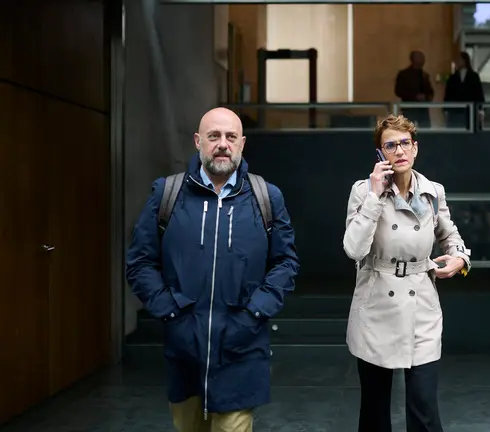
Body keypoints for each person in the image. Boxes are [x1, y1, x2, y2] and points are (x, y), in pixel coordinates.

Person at [126, 107, 300, 432]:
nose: (223, 144)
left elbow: (286, 263)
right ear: (198, 141)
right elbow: (140, 262)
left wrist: (253, 314)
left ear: (242, 144)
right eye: (214, 136)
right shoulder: (167, 194)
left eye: (231, 137)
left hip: (241, 348)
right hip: (185, 351)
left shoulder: (266, 197)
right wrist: (171, 313)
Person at [343, 114, 471, 432]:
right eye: (390, 145)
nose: (399, 151)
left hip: (421, 307)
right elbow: (354, 249)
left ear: (415, 148)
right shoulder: (363, 191)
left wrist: (461, 259)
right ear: (380, 153)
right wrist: (374, 196)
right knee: (374, 413)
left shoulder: (433, 191)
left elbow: (451, 236)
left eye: (404, 143)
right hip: (376, 306)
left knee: (424, 408)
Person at [444, 51, 485, 130]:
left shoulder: (474, 76)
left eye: (459, 59)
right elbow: (448, 94)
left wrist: (481, 109)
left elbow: (479, 93)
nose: (457, 62)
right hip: (455, 111)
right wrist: (446, 109)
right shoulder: (452, 78)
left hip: (470, 111)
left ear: (465, 60)